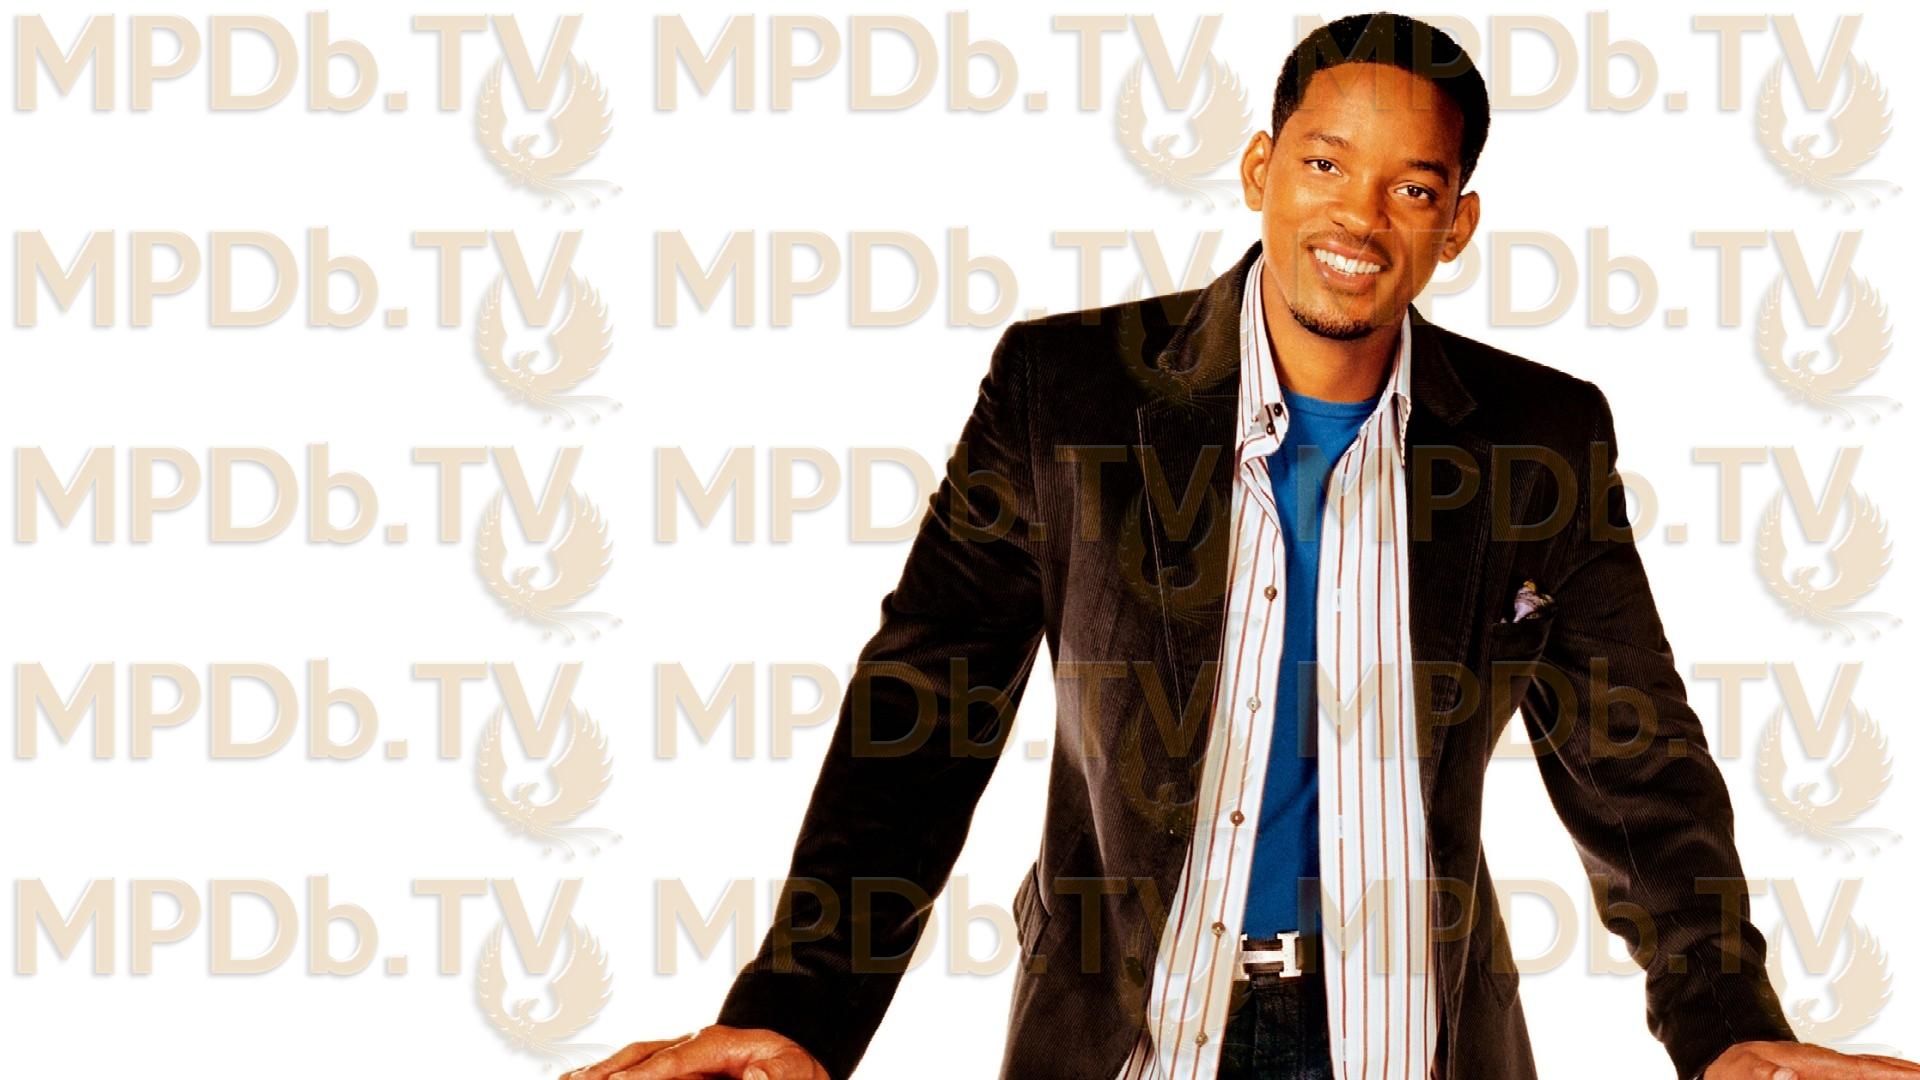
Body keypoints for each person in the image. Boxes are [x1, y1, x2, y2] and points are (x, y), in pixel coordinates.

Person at [571, 13, 1920, 1080]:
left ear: (1455, 223)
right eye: (1326, 164)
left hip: (1414, 1045)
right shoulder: (1067, 394)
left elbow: (1639, 764)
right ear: (1262, 168)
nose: (1358, 217)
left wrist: (1727, 1027)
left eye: (1411, 186)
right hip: (1135, 1041)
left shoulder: (1540, 439)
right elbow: (922, 716)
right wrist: (798, 1013)